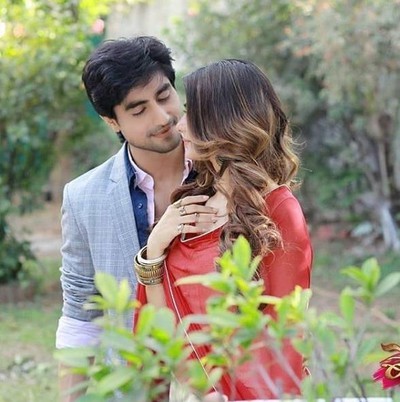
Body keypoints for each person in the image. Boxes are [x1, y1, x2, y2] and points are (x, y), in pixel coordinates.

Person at [134, 59, 313, 401]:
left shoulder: (278, 210)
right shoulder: (191, 203)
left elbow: (284, 336)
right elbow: (161, 322)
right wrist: (154, 248)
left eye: (192, 114)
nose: (179, 125)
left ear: (222, 123)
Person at [55, 35, 214, 402]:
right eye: (138, 110)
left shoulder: (226, 175)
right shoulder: (83, 197)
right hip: (134, 388)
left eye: (164, 96)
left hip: (221, 384)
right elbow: (80, 314)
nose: (162, 118)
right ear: (112, 121)